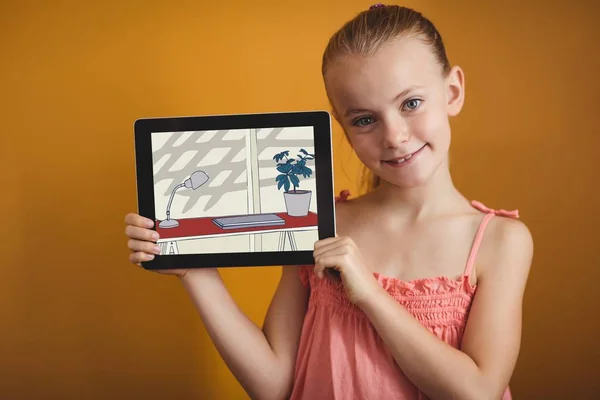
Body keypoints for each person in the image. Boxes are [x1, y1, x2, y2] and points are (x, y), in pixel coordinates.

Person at [124, 4, 534, 400]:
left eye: (411, 103)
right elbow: (274, 386)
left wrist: (370, 296)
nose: (393, 136)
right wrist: (195, 271)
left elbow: (478, 391)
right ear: (341, 124)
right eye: (364, 119)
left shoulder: (501, 241)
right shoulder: (318, 223)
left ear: (453, 92)